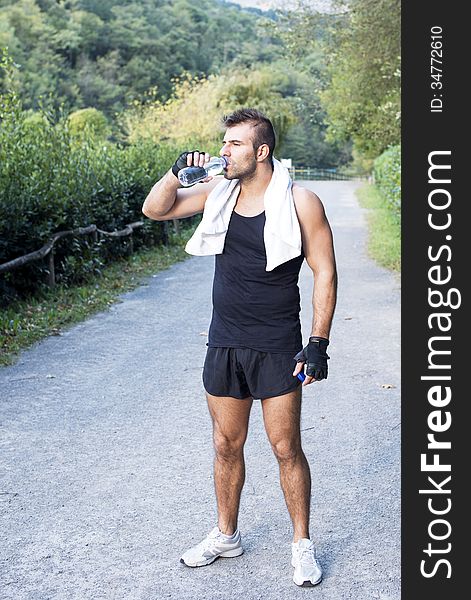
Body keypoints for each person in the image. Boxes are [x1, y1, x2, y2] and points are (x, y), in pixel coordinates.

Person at [142, 108, 337, 587]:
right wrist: (174, 172)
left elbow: (325, 272)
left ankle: (301, 545)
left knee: (286, 446)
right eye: (224, 143)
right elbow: (155, 209)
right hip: (225, 340)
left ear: (262, 151)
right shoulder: (216, 191)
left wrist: (317, 343)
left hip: (277, 345)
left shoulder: (300, 201)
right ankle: (226, 535)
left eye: (234, 144)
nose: (223, 152)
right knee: (226, 445)